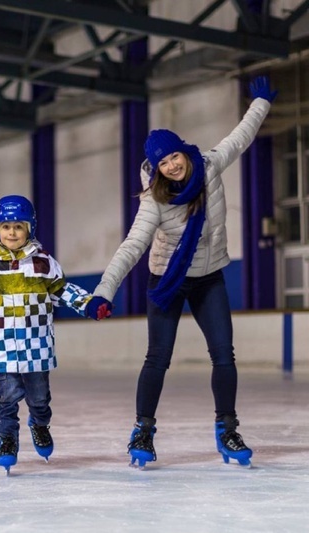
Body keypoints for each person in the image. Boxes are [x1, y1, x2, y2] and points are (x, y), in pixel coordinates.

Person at [89, 76, 278, 469]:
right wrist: (104, 291)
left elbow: (240, 137)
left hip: (209, 277)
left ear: (183, 152)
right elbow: (132, 247)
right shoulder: (154, 201)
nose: (173, 165)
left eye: (174, 156)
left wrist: (260, 102)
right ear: (156, 169)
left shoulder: (208, 166)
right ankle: (143, 429)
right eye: (163, 162)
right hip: (167, 280)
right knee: (158, 357)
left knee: (223, 354)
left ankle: (227, 428)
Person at [0, 195, 111, 474]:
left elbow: (62, 291)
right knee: (8, 396)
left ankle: (39, 424)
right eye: (6, 226)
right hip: (0, 346)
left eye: (18, 227)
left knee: (39, 398)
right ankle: (7, 440)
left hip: (36, 344)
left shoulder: (44, 264)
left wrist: (89, 304)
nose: (12, 232)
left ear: (30, 229)